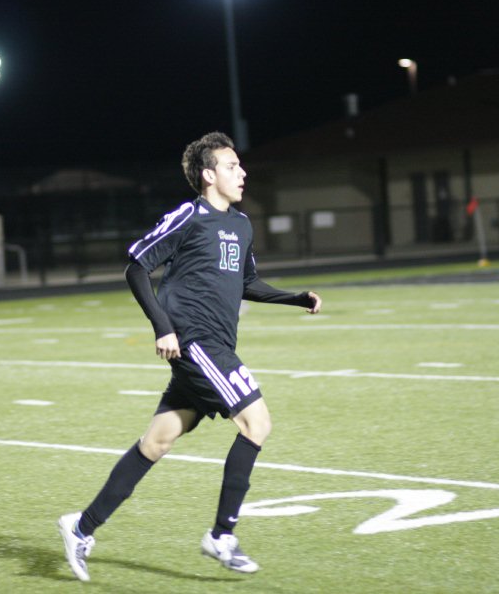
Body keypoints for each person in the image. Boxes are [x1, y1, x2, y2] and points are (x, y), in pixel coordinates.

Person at [57, 131, 322, 582]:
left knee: (156, 443)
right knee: (257, 423)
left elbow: (247, 284)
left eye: (241, 166)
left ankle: (81, 527)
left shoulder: (240, 224)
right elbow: (137, 265)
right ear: (208, 175)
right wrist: (164, 327)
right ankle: (222, 535)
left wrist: (295, 298)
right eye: (232, 166)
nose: (243, 172)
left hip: (214, 345)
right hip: (197, 343)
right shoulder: (190, 215)